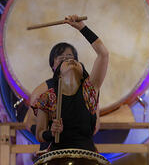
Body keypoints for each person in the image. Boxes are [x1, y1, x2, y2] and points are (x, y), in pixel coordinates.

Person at [33, 15, 108, 152]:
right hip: (57, 155)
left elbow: (103, 54)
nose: (69, 60)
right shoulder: (47, 97)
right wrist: (51, 133)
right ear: (58, 73)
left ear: (82, 72)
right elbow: (39, 134)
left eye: (72, 59)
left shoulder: (89, 90)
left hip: (87, 154)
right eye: (63, 60)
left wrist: (82, 28)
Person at [24, 42, 79, 151]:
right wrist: (49, 133)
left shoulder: (85, 89)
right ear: (52, 65)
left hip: (78, 147)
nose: (65, 60)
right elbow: (29, 123)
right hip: (51, 149)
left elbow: (95, 124)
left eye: (69, 57)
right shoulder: (42, 91)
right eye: (60, 57)